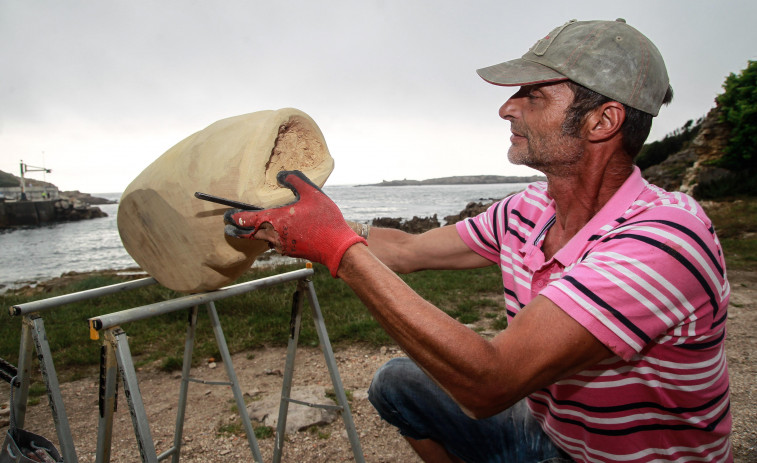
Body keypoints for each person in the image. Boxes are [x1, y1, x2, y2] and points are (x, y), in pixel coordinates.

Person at [224, 18, 732, 463]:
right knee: (396, 384)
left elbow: (492, 383)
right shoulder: (528, 209)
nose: (506, 109)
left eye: (532, 94)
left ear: (603, 121)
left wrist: (337, 248)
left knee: (466, 381)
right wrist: (306, 223)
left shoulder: (666, 238)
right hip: (554, 435)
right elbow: (405, 250)